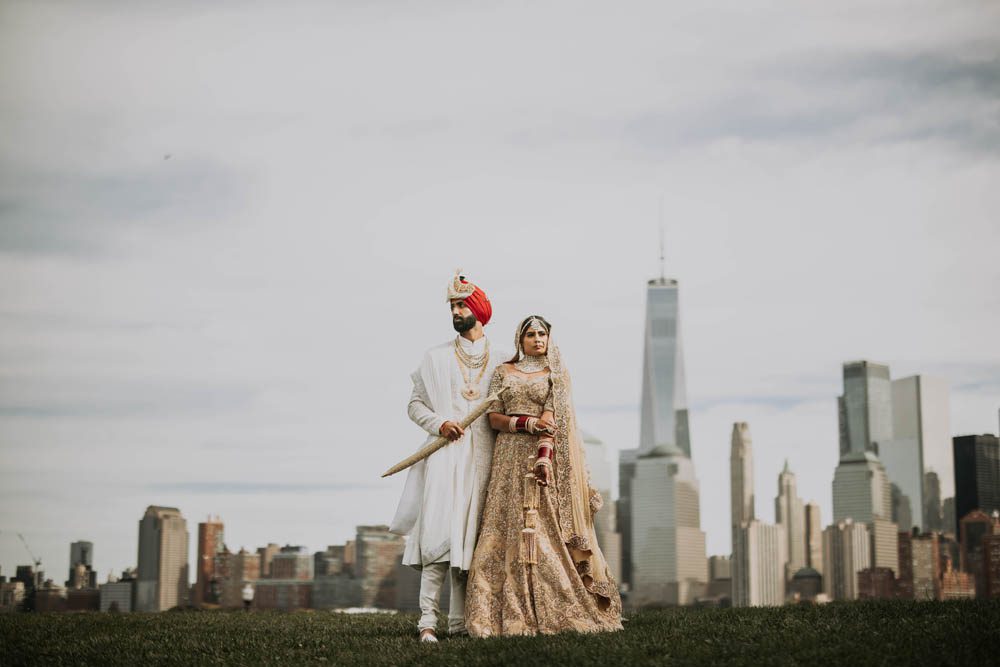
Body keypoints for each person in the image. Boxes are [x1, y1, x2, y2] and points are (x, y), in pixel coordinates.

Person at [465, 315, 622, 637]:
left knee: (542, 528)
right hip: (507, 456)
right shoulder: (503, 372)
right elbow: (493, 417)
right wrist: (524, 424)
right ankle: (496, 615)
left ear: (549, 339)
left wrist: (544, 457)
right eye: (531, 334)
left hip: (539, 460)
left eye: (542, 334)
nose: (537, 339)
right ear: (519, 340)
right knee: (504, 526)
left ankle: (554, 606)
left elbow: (551, 420)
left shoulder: (557, 375)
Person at [389, 271, 507, 642]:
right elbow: (414, 405)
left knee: (468, 541)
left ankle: (458, 624)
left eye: (462, 305)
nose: (456, 312)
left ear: (478, 310)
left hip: (483, 458)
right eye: (453, 306)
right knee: (438, 537)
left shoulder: (504, 359)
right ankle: (427, 622)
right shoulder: (435, 357)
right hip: (443, 456)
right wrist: (440, 424)